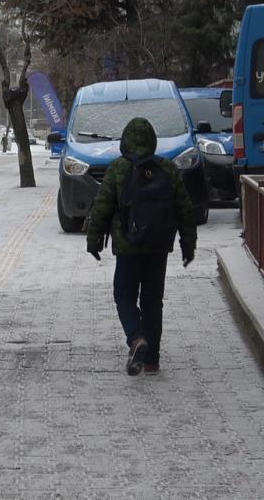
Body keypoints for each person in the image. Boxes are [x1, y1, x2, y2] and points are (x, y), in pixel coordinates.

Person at [86, 117, 196, 376]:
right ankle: (152, 361)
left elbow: (102, 208)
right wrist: (188, 245)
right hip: (158, 247)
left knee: (124, 295)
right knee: (152, 301)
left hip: (127, 247)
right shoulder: (168, 169)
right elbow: (185, 210)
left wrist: (93, 242)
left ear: (125, 141)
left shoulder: (118, 169)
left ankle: (136, 338)